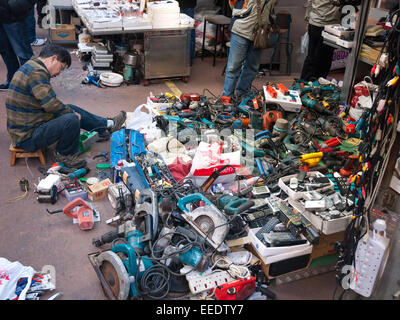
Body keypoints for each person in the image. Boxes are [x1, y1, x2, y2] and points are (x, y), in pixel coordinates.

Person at [6, 44, 127, 168]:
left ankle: (107, 125)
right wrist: (71, 114)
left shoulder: (32, 66)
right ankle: (65, 155)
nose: (59, 73)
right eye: (61, 68)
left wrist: (69, 111)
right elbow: (51, 104)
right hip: (27, 138)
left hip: (28, 126)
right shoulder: (37, 73)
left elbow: (50, 102)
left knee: (69, 109)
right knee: (71, 118)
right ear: (53, 58)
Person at [222, 0, 277, 100]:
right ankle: (227, 96)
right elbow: (232, 3)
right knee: (233, 66)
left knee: (252, 67)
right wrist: (244, 13)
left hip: (259, 32)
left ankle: (242, 94)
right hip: (241, 29)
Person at [300, 0, 341, 81]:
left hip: (315, 23)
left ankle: (305, 83)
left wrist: (308, 20)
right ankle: (317, 83)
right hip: (329, 26)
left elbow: (310, 3)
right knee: (325, 58)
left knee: (312, 56)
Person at [0, 0, 36, 90]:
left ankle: (32, 85)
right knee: (6, 52)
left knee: (23, 53)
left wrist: (12, 6)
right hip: (3, 14)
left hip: (14, 16)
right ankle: (12, 80)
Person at [178, 0, 197, 66]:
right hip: (178, 5)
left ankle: (188, 61)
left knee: (189, 32)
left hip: (187, 6)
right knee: (181, 33)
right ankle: (182, 60)